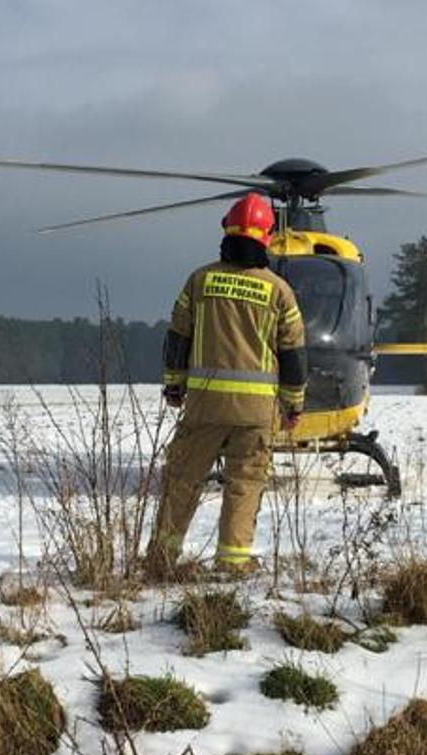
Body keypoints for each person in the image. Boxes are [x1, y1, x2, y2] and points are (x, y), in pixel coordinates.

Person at [147, 192, 307, 579]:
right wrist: (294, 405)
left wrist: (174, 385)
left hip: (204, 405)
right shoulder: (279, 291)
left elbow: (177, 339)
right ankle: (233, 563)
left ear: (226, 230)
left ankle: (160, 560)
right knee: (245, 485)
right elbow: (293, 356)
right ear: (266, 236)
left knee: (182, 480)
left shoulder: (200, 280)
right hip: (257, 413)